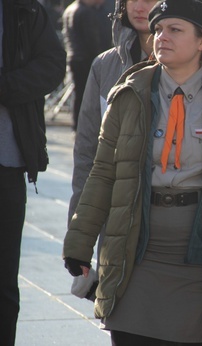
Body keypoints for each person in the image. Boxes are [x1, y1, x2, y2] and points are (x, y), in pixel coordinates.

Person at [62, 0, 202, 344]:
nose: (161, 37)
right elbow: (103, 172)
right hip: (137, 250)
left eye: (174, 29)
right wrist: (78, 244)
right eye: (157, 29)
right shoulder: (129, 94)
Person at [67, 0, 157, 300]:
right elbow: (87, 154)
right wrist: (78, 234)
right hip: (118, 211)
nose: (141, 5)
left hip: (174, 216)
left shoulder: (194, 65)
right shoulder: (105, 65)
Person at [0, 0, 66, 344]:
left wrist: (4, 86)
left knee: (4, 280)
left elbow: (53, 65)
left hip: (6, 162)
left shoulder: (24, 9)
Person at [62, 0, 111, 131]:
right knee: (88, 96)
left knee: (79, 95)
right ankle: (81, 126)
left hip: (75, 58)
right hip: (87, 60)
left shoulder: (71, 9)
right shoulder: (85, 12)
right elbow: (93, 40)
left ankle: (77, 125)